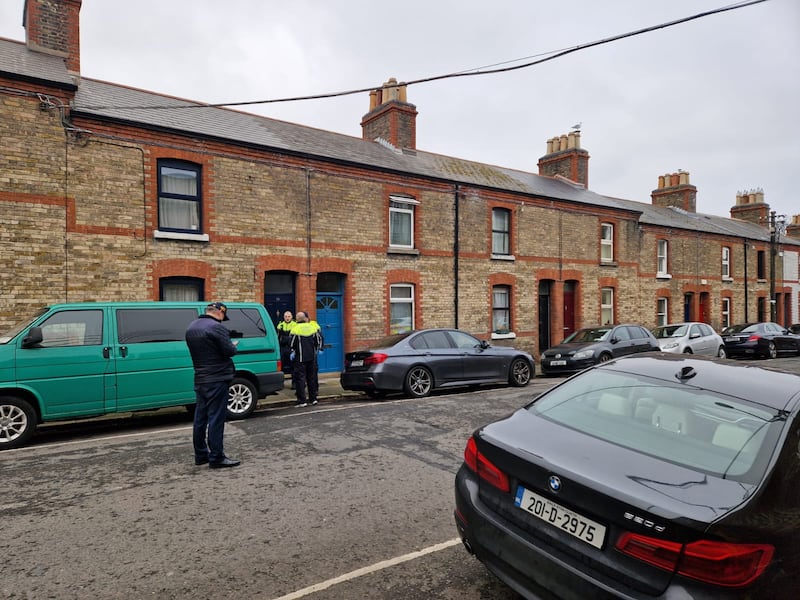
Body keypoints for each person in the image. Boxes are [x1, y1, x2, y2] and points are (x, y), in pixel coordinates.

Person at [185, 301, 241, 469]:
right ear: (220, 313)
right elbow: (229, 351)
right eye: (223, 316)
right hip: (217, 378)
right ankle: (217, 457)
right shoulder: (217, 327)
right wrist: (233, 346)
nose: (223, 320)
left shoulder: (192, 327)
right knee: (216, 418)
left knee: (200, 418)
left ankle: (201, 454)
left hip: (200, 378)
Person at [289, 311, 322, 407]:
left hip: (300, 359)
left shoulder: (295, 329)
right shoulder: (312, 328)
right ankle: (313, 399)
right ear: (305, 319)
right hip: (312, 358)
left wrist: (292, 352)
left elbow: (292, 344)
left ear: (297, 319)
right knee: (311, 379)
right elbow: (318, 341)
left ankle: (302, 401)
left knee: (300, 380)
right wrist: (316, 350)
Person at [276, 310, 296, 389]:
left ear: (292, 317)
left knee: (293, 367)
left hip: (291, 349)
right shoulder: (280, 325)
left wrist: (286, 339)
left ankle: (294, 384)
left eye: (289, 316)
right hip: (283, 348)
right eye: (286, 316)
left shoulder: (295, 325)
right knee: (281, 367)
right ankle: (280, 384)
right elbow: (278, 337)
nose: (287, 318)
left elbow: (294, 338)